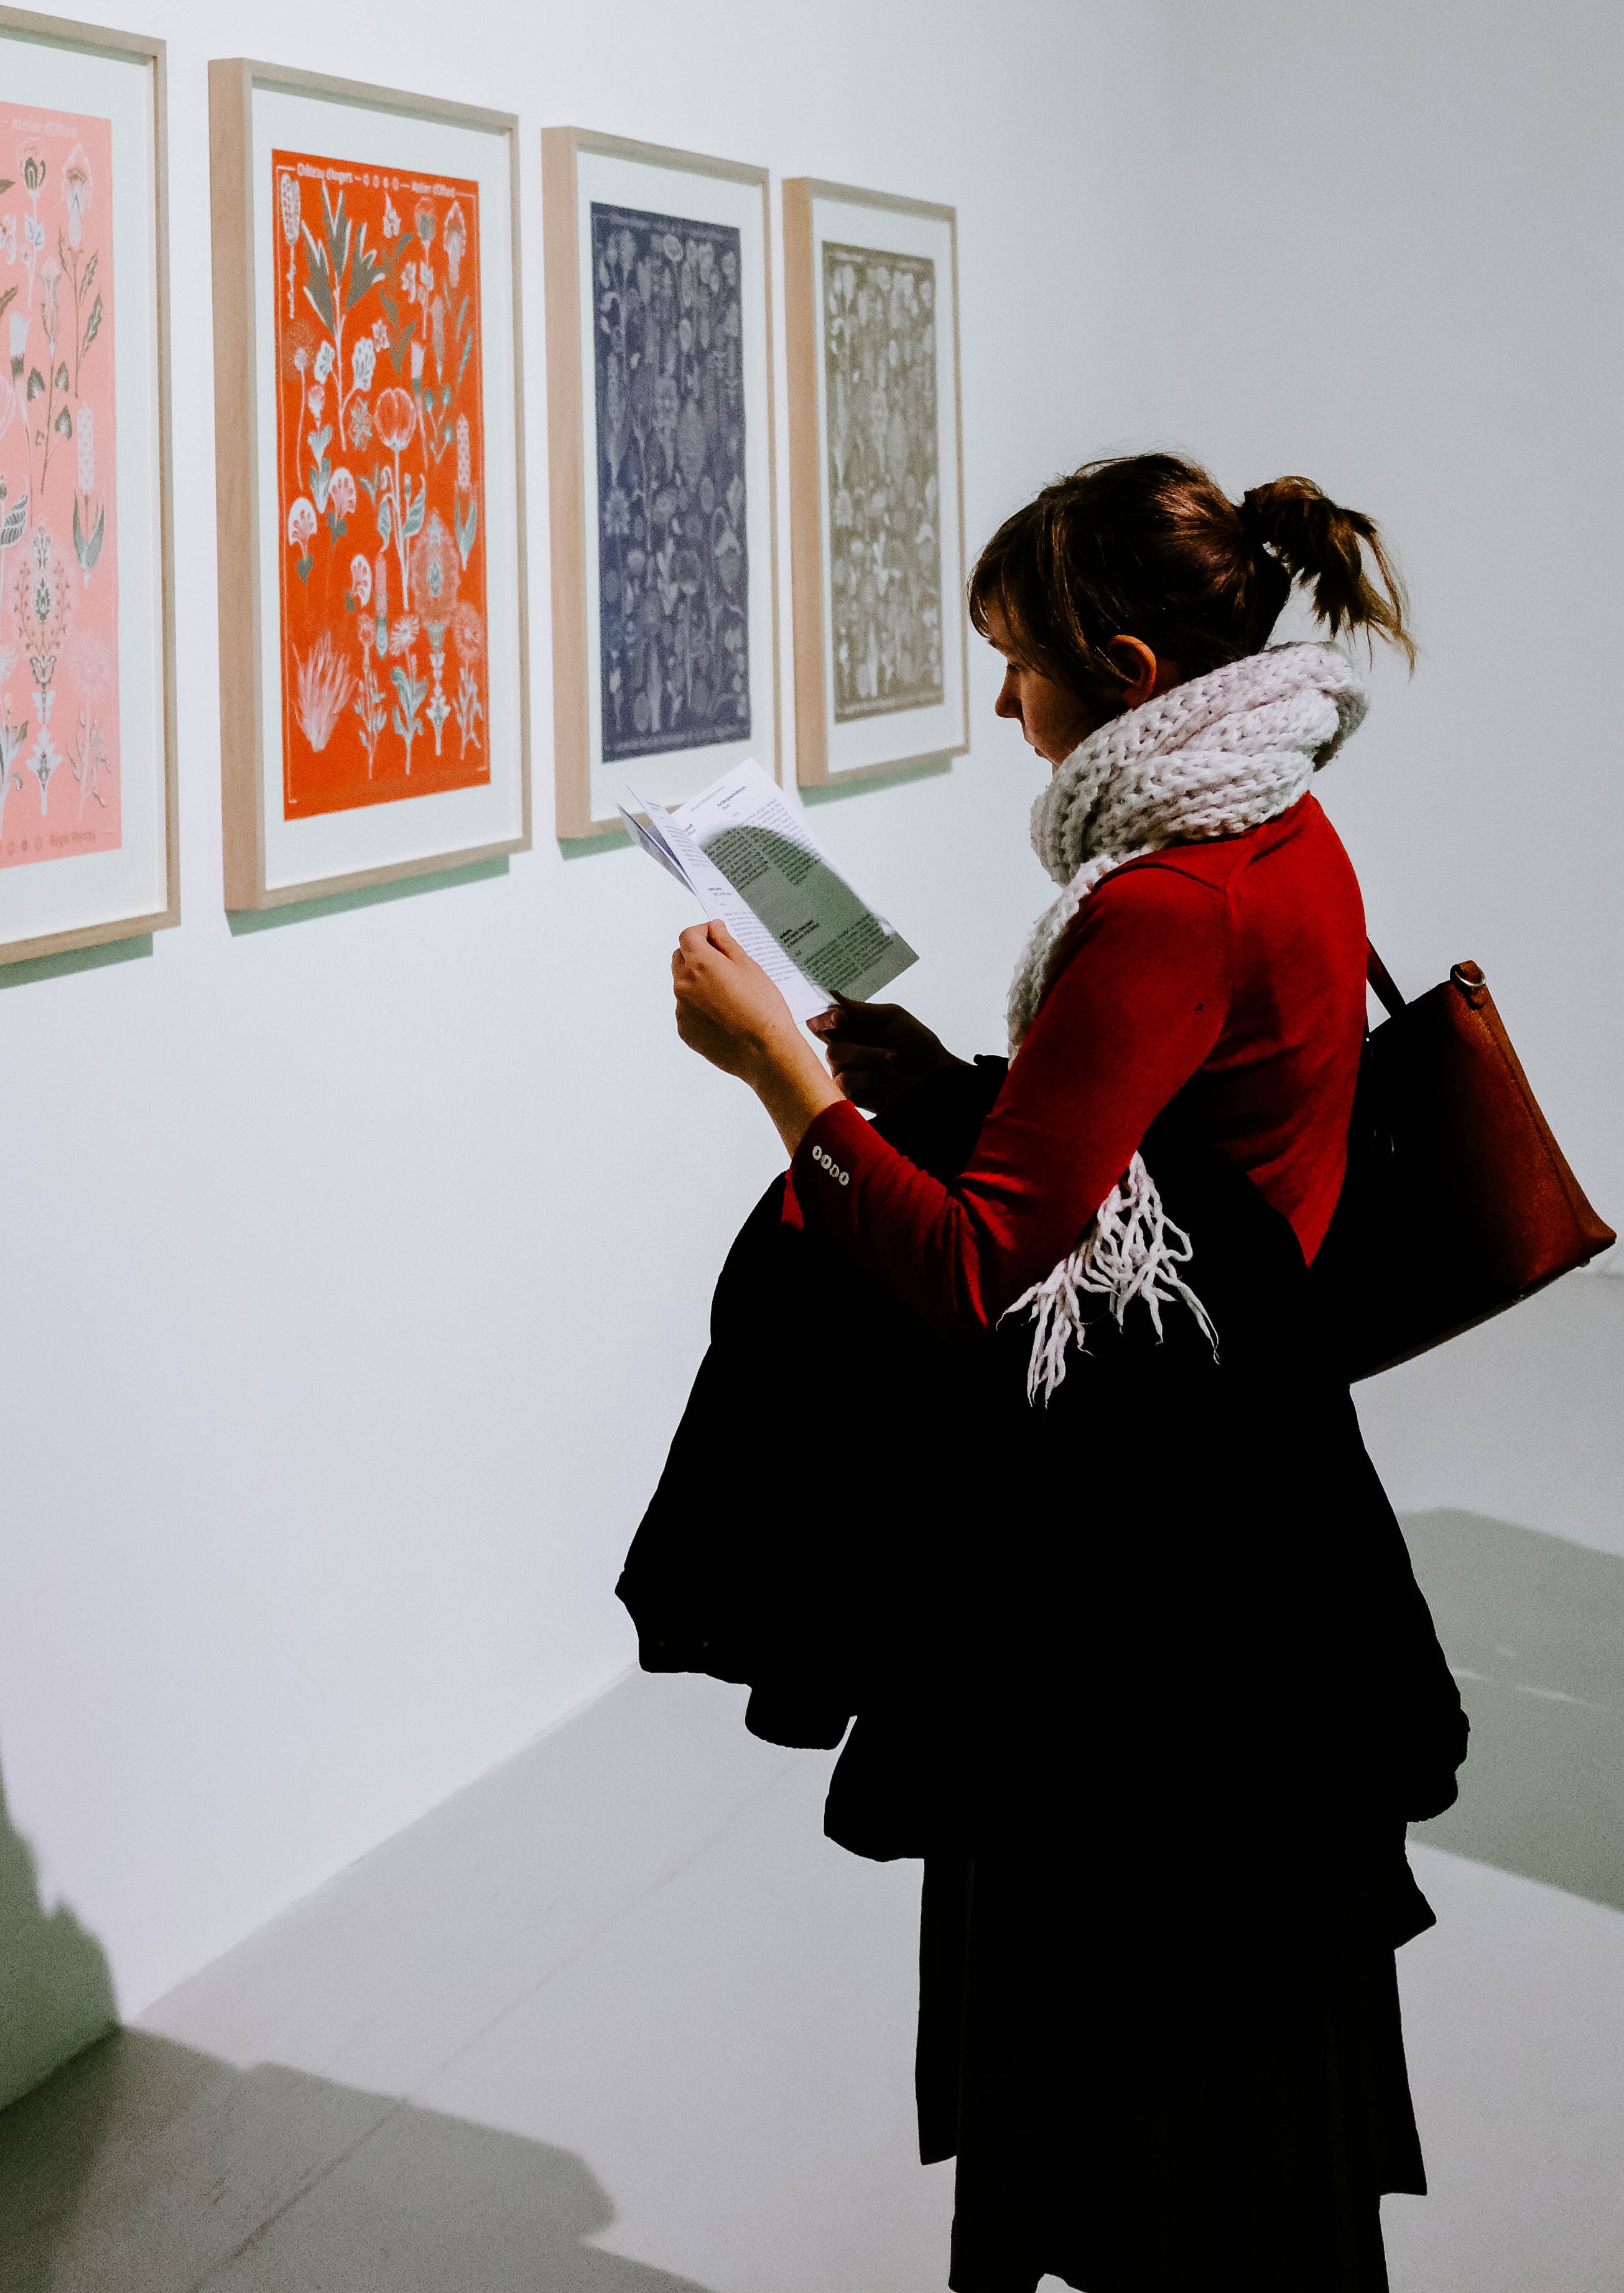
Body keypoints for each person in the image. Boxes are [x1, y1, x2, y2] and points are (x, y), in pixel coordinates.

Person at [625, 454, 1468, 2293]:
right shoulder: (1275, 832)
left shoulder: (1160, 908)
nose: (1002, 701)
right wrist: (928, 1076)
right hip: (1260, 1517)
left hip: (1146, 1597)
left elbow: (977, 1273)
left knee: (1129, 2046)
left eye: (1017, 662)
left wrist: (787, 1079)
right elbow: (1133, 1165)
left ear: (1129, 664)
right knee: (1236, 2085)